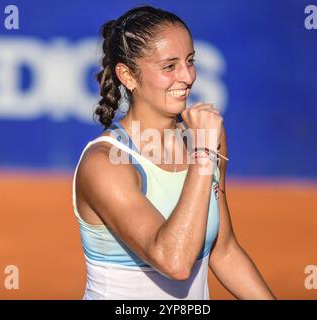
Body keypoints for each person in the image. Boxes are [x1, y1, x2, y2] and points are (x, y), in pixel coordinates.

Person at [72, 5, 276, 300]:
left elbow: (224, 250)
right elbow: (174, 261)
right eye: (169, 66)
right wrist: (203, 154)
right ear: (128, 76)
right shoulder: (104, 163)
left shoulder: (205, 140)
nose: (188, 76)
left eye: (190, 61)